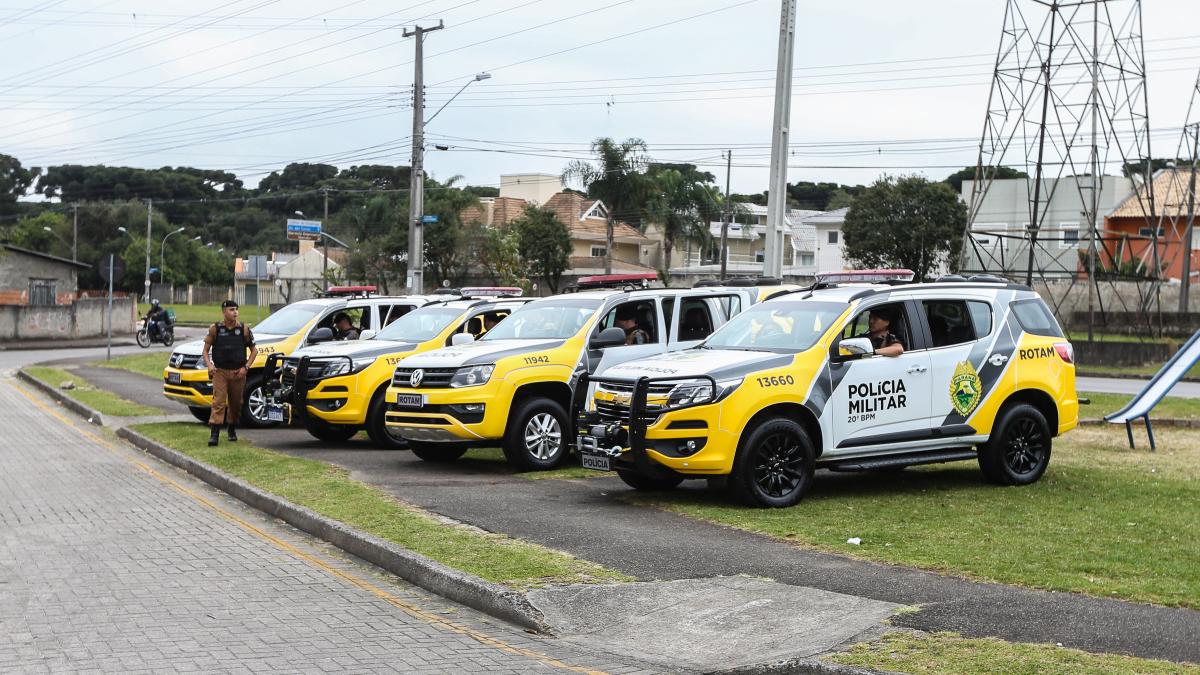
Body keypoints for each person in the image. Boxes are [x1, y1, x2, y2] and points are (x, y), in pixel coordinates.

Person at [202, 300, 256, 446]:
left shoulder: (244, 329)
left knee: (236, 403)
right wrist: (209, 365)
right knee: (218, 402)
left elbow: (254, 351)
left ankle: (231, 427)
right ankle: (215, 434)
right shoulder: (215, 329)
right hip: (220, 371)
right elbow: (205, 351)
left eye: (236, 309)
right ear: (224, 312)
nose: (235, 312)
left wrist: (246, 367)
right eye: (232, 309)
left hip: (238, 372)